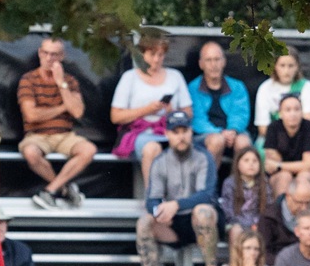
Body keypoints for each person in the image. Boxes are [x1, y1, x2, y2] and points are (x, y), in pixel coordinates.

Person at [133, 111, 219, 266]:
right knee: (145, 222)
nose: (181, 136)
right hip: (173, 225)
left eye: (184, 130)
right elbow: (151, 199)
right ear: (167, 134)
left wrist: (176, 205)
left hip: (201, 221)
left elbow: (207, 194)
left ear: (191, 132)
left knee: (203, 211)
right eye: (176, 131)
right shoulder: (160, 161)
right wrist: (159, 211)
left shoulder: (203, 157)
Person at [16, 37, 95, 210]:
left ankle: (50, 190)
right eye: (45, 53)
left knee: (88, 150)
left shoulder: (70, 81)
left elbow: (77, 112)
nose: (49, 58)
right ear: (39, 53)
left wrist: (61, 83)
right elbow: (31, 115)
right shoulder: (28, 79)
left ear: (62, 56)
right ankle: (65, 189)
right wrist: (62, 108)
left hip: (64, 135)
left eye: (54, 54)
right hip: (37, 135)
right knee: (30, 153)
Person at [109, 28, 193, 188]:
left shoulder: (175, 76)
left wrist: (172, 113)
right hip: (139, 134)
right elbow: (116, 116)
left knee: (187, 145)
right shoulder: (130, 78)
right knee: (152, 148)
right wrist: (146, 110)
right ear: (142, 54)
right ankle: (153, 198)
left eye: (160, 55)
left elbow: (188, 113)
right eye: (152, 54)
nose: (156, 60)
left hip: (170, 132)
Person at [188, 40, 252, 167]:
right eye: (209, 60)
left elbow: (240, 114)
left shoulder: (237, 86)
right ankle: (208, 185)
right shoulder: (192, 88)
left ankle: (238, 186)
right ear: (201, 64)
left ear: (224, 62)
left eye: (217, 59)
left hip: (233, 132)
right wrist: (220, 133)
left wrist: (232, 131)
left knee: (243, 143)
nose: (213, 64)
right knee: (217, 141)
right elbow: (197, 119)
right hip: (204, 136)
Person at [254, 46, 310, 147]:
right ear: (274, 66)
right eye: (282, 65)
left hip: (303, 139)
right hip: (275, 139)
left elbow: (308, 119)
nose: (287, 71)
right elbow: (263, 127)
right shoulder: (265, 88)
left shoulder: (306, 86)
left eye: (291, 66)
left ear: (297, 67)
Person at [217, 146, 272, 256]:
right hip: (236, 223)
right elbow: (228, 209)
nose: (251, 164)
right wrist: (240, 224)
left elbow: (268, 207)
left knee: (262, 232)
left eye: (255, 161)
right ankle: (236, 265)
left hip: (257, 223)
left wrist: (257, 223)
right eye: (246, 160)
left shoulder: (264, 183)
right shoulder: (230, 183)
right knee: (236, 231)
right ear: (238, 164)